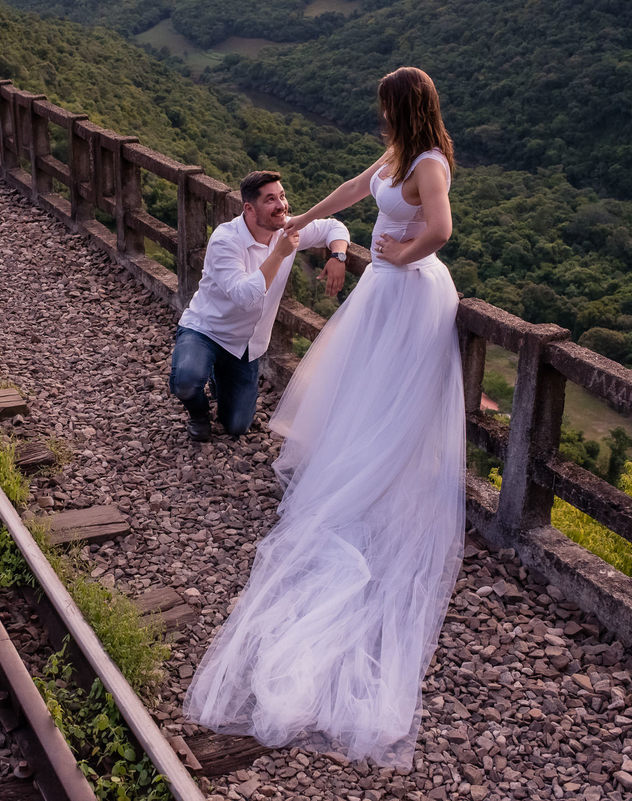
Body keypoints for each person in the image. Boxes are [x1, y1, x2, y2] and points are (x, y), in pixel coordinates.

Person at [184, 67, 465, 768]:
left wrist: (402, 251)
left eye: (384, 107)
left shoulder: (428, 161)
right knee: (362, 386)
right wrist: (308, 218)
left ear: (403, 108)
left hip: (412, 291)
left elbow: (441, 226)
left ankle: (387, 472)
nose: (379, 117)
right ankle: (360, 459)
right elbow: (350, 191)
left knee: (391, 388)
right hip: (383, 287)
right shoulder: (397, 154)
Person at [169, 170, 350, 442]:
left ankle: (220, 378)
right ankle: (198, 413)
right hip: (207, 330)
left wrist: (338, 255)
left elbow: (334, 227)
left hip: (246, 345)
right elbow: (244, 296)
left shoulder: (286, 228)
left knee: (237, 426)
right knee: (186, 381)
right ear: (249, 208)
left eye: (282, 196)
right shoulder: (226, 240)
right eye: (270, 200)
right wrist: (279, 253)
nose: (281, 205)